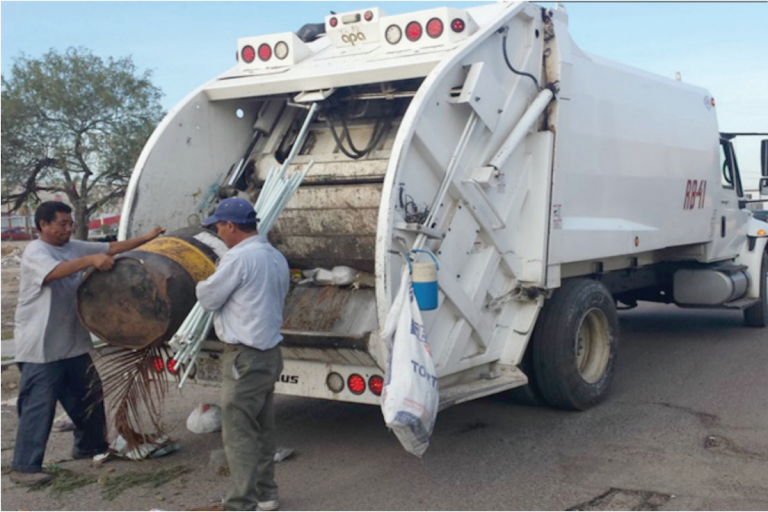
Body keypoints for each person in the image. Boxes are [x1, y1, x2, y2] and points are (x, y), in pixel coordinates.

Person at [9, 201, 164, 486]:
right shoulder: (36, 251)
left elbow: (111, 248)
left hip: (72, 344)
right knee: (38, 407)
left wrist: (148, 237)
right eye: (62, 224)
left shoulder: (73, 247)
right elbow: (55, 272)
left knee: (89, 397)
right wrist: (90, 261)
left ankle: (89, 447)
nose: (68, 229)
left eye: (70, 224)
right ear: (43, 225)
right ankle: (24, 468)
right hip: (40, 349)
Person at [196, 198, 290, 512]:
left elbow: (209, 298)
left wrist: (201, 282)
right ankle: (266, 494)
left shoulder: (238, 258)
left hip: (244, 358)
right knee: (262, 428)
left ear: (231, 225)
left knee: (238, 433)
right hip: (268, 354)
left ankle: (241, 504)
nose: (218, 232)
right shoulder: (275, 256)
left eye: (219, 226)